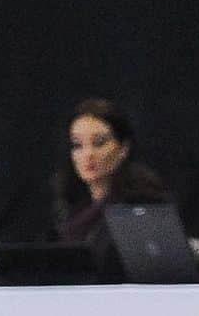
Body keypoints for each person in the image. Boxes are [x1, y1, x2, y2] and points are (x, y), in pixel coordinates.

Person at [52, 98, 172, 279]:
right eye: (77, 145)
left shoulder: (142, 207)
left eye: (99, 143)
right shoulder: (68, 211)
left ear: (123, 149)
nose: (88, 154)